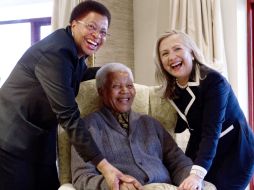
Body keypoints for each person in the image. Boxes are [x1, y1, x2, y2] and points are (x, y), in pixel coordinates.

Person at [0, 1, 140, 190]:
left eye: (103, 32)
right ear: (74, 25)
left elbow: (79, 75)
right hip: (11, 141)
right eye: (91, 27)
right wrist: (104, 167)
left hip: (41, 143)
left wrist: (116, 72)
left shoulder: (75, 56)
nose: (97, 36)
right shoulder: (55, 52)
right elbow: (68, 116)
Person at [71, 62, 216, 190]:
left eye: (129, 85)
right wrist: (114, 184)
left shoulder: (151, 123)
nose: (125, 91)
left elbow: (178, 162)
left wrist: (189, 180)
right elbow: (82, 177)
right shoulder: (87, 128)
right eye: (116, 86)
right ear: (101, 91)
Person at [154, 30, 254, 190]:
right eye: (164, 53)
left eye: (177, 49)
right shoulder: (172, 89)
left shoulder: (214, 81)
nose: (171, 57)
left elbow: (211, 131)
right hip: (202, 144)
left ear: (192, 53)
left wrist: (196, 174)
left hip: (235, 151)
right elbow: (184, 122)